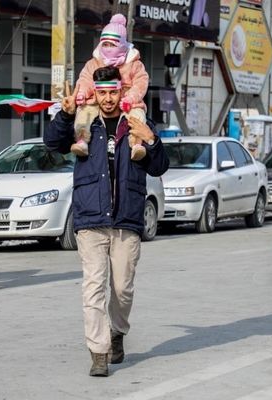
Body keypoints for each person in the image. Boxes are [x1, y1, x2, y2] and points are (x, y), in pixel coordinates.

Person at [44, 66, 169, 377]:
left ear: (121, 90)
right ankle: (98, 353)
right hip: (91, 218)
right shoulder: (84, 121)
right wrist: (64, 115)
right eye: (103, 92)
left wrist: (151, 140)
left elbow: (160, 166)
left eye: (114, 92)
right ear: (96, 92)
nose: (109, 98)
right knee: (93, 288)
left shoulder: (136, 120)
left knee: (122, 288)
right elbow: (52, 143)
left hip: (126, 219)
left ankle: (117, 331)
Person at [71, 13, 149, 161]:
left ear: (122, 44)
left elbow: (141, 82)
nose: (107, 48)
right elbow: (85, 79)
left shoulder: (134, 63)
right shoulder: (93, 63)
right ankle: (82, 141)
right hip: (94, 99)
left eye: (112, 44)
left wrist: (131, 98)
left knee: (137, 116)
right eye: (104, 44)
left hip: (129, 102)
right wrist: (81, 93)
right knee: (83, 113)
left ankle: (137, 145)